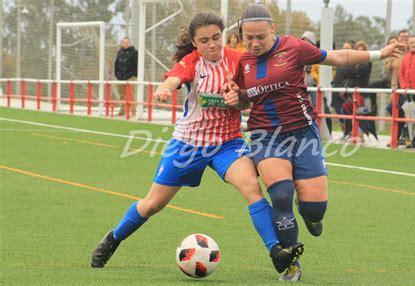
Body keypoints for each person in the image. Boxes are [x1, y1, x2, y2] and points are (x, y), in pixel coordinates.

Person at [91, 12, 303, 274]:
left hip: (228, 144)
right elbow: (174, 79)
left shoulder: (238, 60)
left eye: (216, 37)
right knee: (153, 204)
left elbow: (248, 101)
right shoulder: (191, 62)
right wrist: (165, 88)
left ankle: (276, 253)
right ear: (194, 42)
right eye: (204, 40)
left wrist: (239, 100)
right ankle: (113, 239)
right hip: (187, 145)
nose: (212, 44)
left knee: (252, 188)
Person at [222, 3, 404, 281]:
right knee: (281, 196)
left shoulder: (295, 47)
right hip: (265, 135)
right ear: (241, 34)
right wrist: (236, 99)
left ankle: (309, 215)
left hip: (304, 134)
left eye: (261, 36)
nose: (255, 43)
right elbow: (246, 98)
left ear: (273, 29)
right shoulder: (242, 62)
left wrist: (381, 53)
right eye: (249, 37)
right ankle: (291, 261)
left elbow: (339, 57)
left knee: (314, 208)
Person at [114, 37, 138, 116]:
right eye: (124, 42)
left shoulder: (134, 52)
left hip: (130, 76)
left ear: (129, 43)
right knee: (122, 94)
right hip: (120, 77)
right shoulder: (119, 52)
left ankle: (133, 110)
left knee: (131, 94)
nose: (125, 44)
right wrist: (117, 74)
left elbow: (136, 64)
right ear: (122, 43)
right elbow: (116, 64)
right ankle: (123, 110)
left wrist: (134, 75)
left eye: (127, 42)